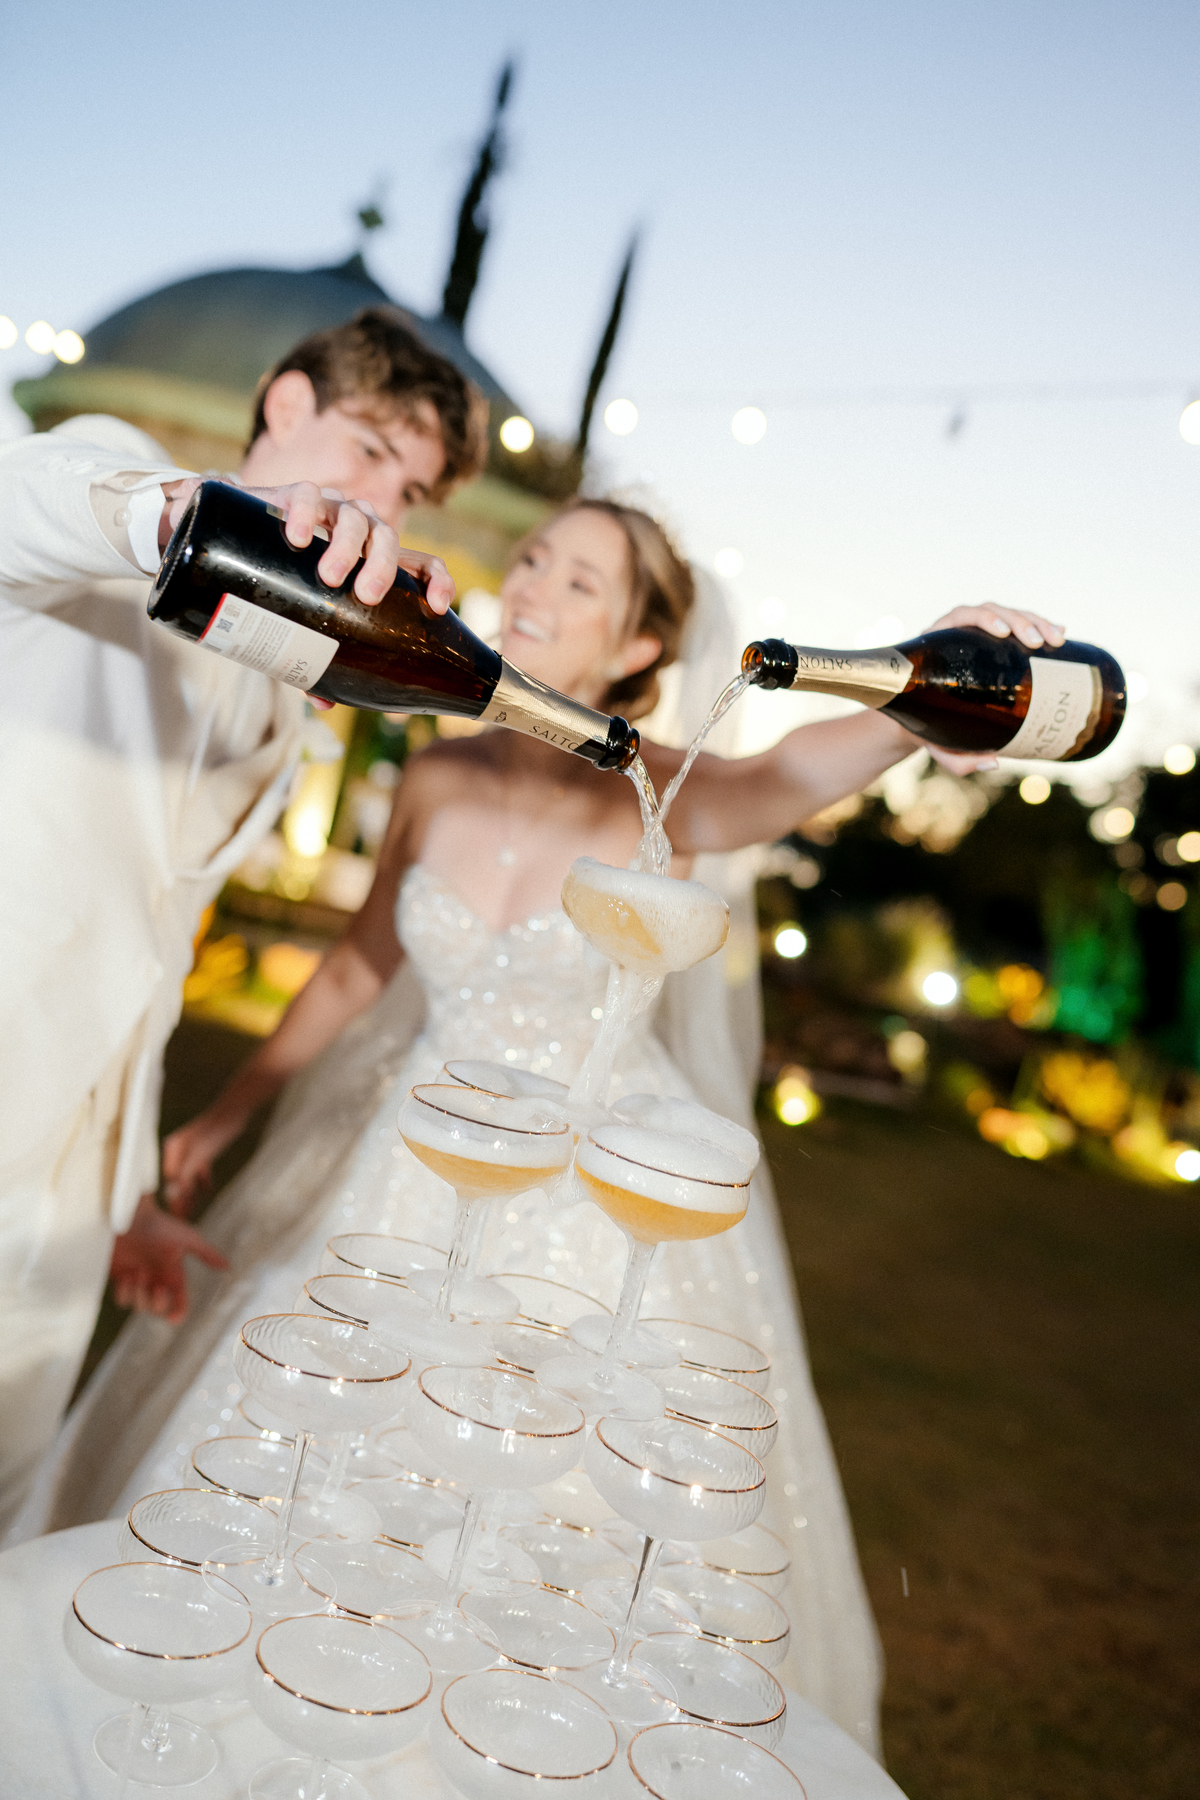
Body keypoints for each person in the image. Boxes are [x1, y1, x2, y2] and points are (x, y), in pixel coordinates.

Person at [21, 493, 1066, 1751]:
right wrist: (227, 1114)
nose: (534, 589)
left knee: (544, 1530)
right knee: (306, 1469)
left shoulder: (673, 787)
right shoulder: (438, 766)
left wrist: (929, 676)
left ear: (639, 646)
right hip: (415, 1160)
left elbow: (796, 771)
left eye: (582, 584)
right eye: (533, 560)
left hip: (591, 1213)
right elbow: (359, 965)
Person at [0, 305, 485, 1534]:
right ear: (286, 404)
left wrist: (127, 1191)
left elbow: (160, 938)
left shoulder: (284, 674)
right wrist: (183, 516)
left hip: (70, 1191)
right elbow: (28, 500)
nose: (385, 501)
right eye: (371, 450)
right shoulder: (113, 481)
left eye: (410, 489)